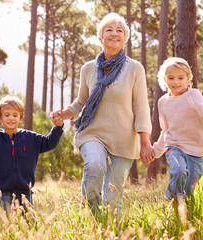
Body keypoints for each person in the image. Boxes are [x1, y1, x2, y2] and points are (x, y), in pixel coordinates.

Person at [51, 13, 153, 217]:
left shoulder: (135, 69)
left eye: (120, 30)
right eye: (109, 29)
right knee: (95, 167)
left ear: (125, 38)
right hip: (93, 133)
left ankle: (109, 229)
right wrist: (65, 114)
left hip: (124, 138)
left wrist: (145, 141)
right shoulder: (88, 68)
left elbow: (141, 107)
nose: (114, 33)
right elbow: (82, 102)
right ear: (100, 37)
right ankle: (93, 215)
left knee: (114, 195)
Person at [0, 96, 63, 212]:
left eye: (15, 115)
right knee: (7, 223)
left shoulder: (30, 138)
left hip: (25, 192)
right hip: (3, 193)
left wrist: (57, 127)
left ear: (21, 118)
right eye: (7, 115)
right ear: (0, 118)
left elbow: (49, 142)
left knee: (29, 223)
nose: (11, 118)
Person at [151, 57, 203, 200]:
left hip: (196, 151)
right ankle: (172, 203)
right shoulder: (162, 102)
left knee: (188, 190)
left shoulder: (193, 95)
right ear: (165, 78)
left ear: (189, 78)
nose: (176, 82)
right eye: (171, 78)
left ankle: (187, 214)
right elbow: (165, 130)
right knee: (179, 171)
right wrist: (156, 150)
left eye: (180, 78)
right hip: (174, 146)